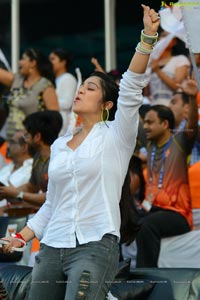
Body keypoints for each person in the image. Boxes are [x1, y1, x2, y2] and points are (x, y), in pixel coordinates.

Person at [1, 5, 160, 300]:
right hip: (52, 246)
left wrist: (147, 38)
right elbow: (52, 205)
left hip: (95, 246)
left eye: (90, 88)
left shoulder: (117, 136)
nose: (81, 90)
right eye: (81, 87)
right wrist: (20, 237)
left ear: (107, 105)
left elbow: (131, 87)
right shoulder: (61, 144)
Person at [135, 78, 198, 268]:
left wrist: (193, 98)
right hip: (152, 207)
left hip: (178, 214)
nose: (145, 126)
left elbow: (193, 125)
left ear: (164, 124)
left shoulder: (179, 141)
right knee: (125, 219)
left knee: (147, 226)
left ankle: (146, 276)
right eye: (145, 122)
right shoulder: (150, 144)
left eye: (150, 123)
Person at [0, 110, 63, 207]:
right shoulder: (38, 157)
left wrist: (18, 194)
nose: (26, 140)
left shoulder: (59, 159)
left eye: (27, 135)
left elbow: (52, 197)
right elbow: (31, 187)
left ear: (37, 137)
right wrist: (6, 192)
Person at [0, 48, 59, 139]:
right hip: (7, 137)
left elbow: (54, 118)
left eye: (23, 59)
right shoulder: (17, 79)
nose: (20, 62)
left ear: (33, 63)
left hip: (28, 141)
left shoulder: (45, 86)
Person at [144, 30, 191, 106]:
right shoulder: (151, 63)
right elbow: (147, 92)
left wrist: (157, 70)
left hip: (173, 108)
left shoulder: (180, 59)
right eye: (163, 36)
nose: (164, 39)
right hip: (154, 106)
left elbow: (176, 86)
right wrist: (147, 71)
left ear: (174, 42)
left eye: (168, 36)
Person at [0, 130, 33, 213]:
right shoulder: (6, 168)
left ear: (24, 147)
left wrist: (5, 209)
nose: (7, 146)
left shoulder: (32, 170)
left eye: (12, 143)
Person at [49, 48, 77, 135]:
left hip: (63, 124)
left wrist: (49, 102)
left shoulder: (68, 78)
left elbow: (67, 103)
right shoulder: (56, 79)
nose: (49, 62)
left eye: (53, 59)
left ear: (63, 62)